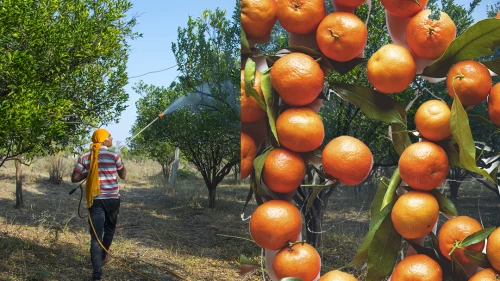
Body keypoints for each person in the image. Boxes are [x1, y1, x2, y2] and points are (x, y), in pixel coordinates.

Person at [71, 128, 127, 281]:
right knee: (110, 229)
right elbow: (123, 175)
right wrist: (120, 162)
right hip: (112, 200)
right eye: (109, 136)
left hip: (94, 200)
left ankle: (96, 274)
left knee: (95, 237)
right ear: (103, 139)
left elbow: (75, 178)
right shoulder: (114, 155)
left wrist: (88, 172)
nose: (111, 137)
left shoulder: (84, 156)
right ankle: (103, 255)